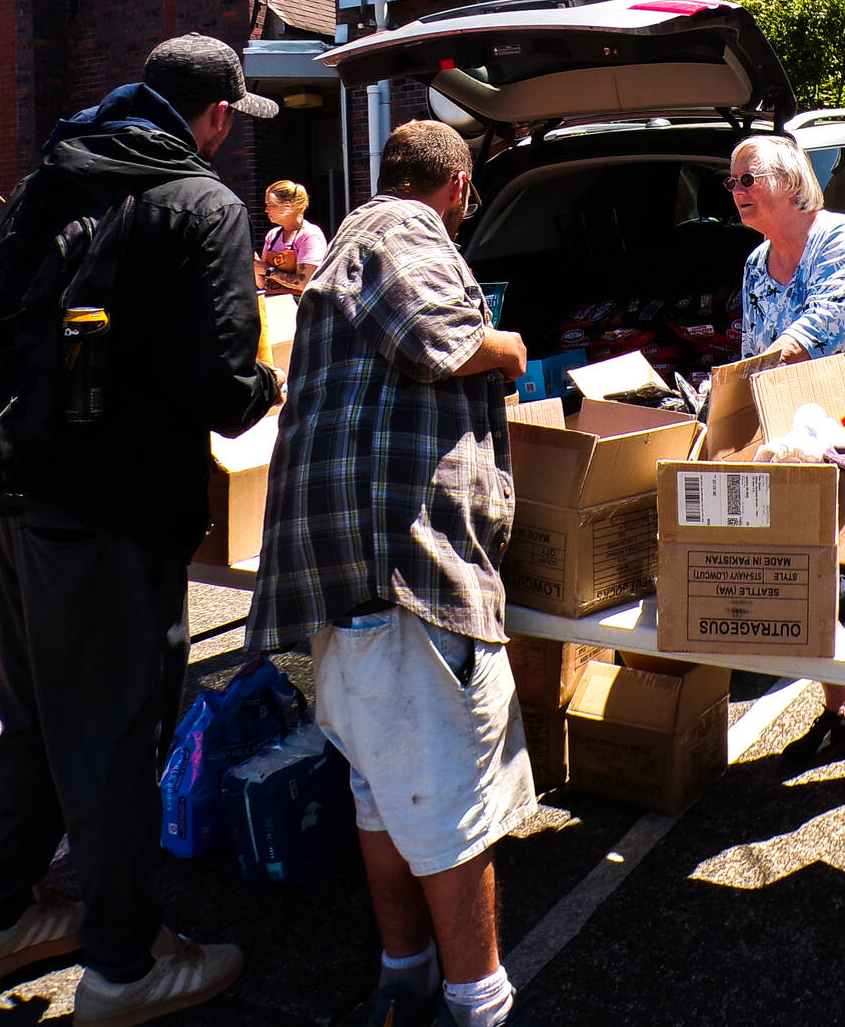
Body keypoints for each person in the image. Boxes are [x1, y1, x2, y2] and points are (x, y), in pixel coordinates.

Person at [0, 35, 282, 1025]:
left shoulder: (57, 172)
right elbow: (224, 394)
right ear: (215, 116)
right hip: (115, 510)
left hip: (17, 487)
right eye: (231, 123)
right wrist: (271, 381)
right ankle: (126, 967)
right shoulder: (200, 202)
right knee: (115, 735)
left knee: (42, 718)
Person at [249, 120, 533, 1027]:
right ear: (455, 188)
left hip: (356, 583)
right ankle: (477, 1005)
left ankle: (403, 974)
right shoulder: (402, 230)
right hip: (406, 570)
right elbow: (435, 337)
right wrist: (515, 347)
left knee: (382, 796)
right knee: (448, 805)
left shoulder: (345, 242)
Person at [728, 133, 845, 765]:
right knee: (800, 573)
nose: (738, 192)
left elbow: (822, 322)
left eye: (749, 179)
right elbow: (753, 348)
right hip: (793, 434)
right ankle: (840, 705)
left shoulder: (843, 238)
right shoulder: (755, 265)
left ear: (790, 181)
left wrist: (758, 370)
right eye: (733, 183)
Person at [254, 179, 328, 296]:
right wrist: (254, 263)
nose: (266, 210)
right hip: (273, 304)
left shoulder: (310, 235)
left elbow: (304, 283)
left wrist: (267, 270)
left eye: (271, 205)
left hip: (299, 308)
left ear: (288, 206)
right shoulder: (272, 235)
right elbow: (263, 283)